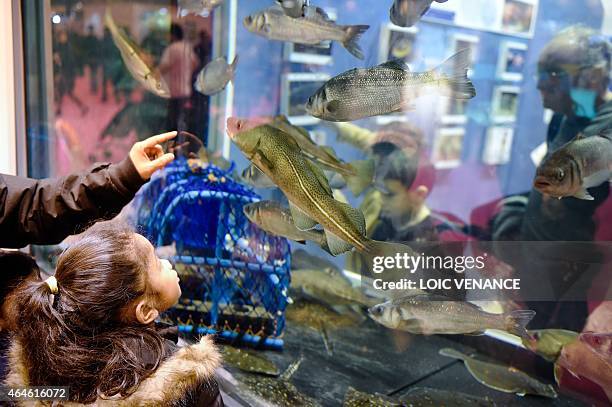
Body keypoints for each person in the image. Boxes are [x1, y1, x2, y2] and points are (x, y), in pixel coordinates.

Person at [3, 221, 223, 405]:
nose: (167, 263)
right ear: (145, 311)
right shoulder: (188, 380)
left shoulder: (42, 361)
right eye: (157, 263)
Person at [506, 26, 611, 330]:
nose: (541, 87)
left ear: (592, 77)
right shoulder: (565, 115)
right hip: (539, 267)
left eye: (552, 78)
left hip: (575, 283)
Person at [159, 24, 199, 134]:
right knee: (182, 120)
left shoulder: (172, 48)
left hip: (173, 92)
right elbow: (196, 63)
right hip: (186, 91)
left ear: (172, 35)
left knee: (172, 122)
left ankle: (172, 144)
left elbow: (163, 68)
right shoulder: (187, 47)